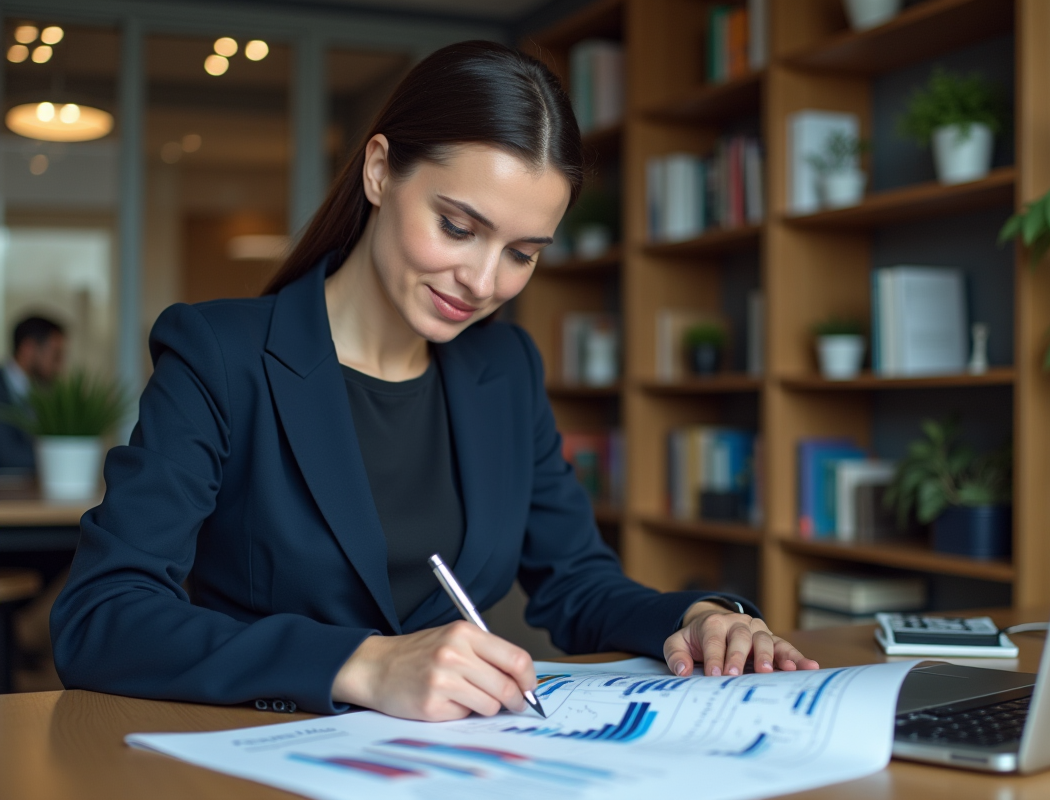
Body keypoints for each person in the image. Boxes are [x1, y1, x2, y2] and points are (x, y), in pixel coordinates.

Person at [50, 41, 818, 721]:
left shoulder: (505, 370)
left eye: (523, 252)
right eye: (458, 226)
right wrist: (364, 664)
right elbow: (103, 618)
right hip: (253, 753)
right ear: (381, 171)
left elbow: (578, 585)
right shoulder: (221, 353)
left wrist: (696, 617)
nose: (483, 281)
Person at [0, 315, 67, 473]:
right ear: (28, 348)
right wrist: (62, 461)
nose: (59, 365)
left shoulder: (45, 394)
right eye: (56, 355)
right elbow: (7, 454)